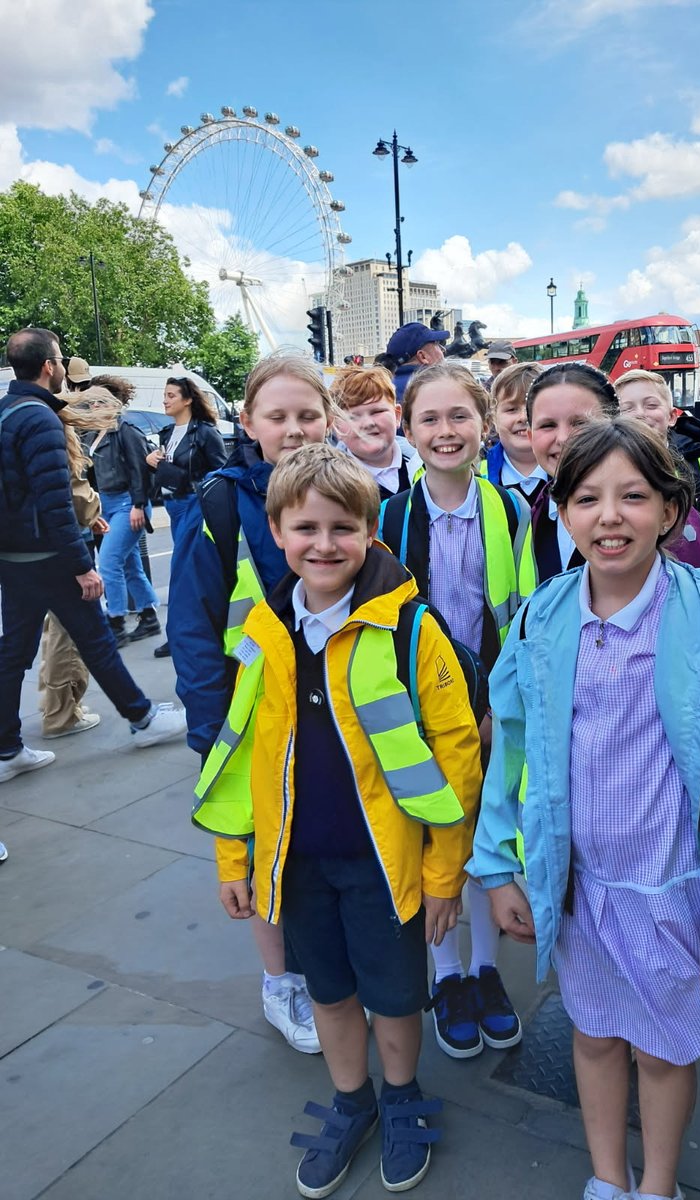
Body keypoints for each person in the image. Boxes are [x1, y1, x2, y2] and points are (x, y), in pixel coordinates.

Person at [471, 416, 700, 1200]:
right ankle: (606, 1178)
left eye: (633, 495)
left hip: (675, 892)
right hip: (580, 890)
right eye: (587, 498)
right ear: (562, 512)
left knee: (662, 1053)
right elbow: (510, 757)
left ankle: (656, 1186)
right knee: (592, 1038)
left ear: (671, 509)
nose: (609, 515)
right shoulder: (542, 620)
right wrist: (498, 864)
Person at [193, 443, 482, 1197]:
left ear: (371, 529)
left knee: (393, 996)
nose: (324, 545)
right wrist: (236, 861)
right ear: (280, 532)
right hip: (298, 863)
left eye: (342, 529)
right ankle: (352, 1101)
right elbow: (238, 754)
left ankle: (401, 1093)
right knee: (328, 992)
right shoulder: (262, 630)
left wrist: (445, 875)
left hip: (385, 866)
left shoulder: (412, 629)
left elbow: (455, 761)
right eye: (306, 529)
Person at [168, 353, 336, 1053]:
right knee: (263, 852)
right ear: (248, 421)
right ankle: (280, 984)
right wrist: (210, 732)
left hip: (329, 714)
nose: (294, 429)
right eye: (278, 416)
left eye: (308, 415)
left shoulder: (346, 493)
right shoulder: (217, 504)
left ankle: (320, 964)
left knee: (313, 847)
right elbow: (192, 628)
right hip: (249, 721)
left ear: (328, 421)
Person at [379, 360, 535, 1060]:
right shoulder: (387, 515)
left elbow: (522, 611)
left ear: (486, 425)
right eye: (430, 419)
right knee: (433, 832)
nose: (447, 432)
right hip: (419, 708)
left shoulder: (510, 510)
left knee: (486, 837)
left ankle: (485, 971)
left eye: (459, 417)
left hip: (495, 703)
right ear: (409, 431)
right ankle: (446, 975)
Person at [0, 328, 186, 785]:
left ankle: (6, 748)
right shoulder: (39, 419)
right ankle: (142, 719)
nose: (63, 367)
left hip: (14, 555)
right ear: (49, 367)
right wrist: (82, 565)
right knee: (96, 639)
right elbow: (54, 500)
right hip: (49, 555)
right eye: (60, 359)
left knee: (15, 651)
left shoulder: (6, 412)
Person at [38, 387, 121, 738]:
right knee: (69, 633)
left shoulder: (21, 414)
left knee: (52, 631)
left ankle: (57, 709)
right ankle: (62, 715)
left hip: (37, 545)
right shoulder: (51, 423)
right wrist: (93, 511)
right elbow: (71, 488)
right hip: (66, 543)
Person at [145, 376, 227, 658]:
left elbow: (220, 473)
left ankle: (181, 634)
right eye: (165, 395)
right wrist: (153, 462)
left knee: (182, 573)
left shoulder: (204, 432)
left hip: (193, 504)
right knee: (185, 572)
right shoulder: (167, 433)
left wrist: (190, 484)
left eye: (171, 395)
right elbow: (166, 465)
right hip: (172, 505)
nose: (165, 400)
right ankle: (185, 632)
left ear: (188, 399)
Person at [81, 384, 160, 647]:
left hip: (128, 502)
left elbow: (140, 469)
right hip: (108, 503)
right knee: (129, 565)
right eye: (91, 404)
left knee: (110, 562)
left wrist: (139, 504)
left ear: (112, 404)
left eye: (99, 403)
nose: (94, 408)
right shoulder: (93, 434)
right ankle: (148, 616)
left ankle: (116, 622)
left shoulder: (125, 431)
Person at [615, 369, 700, 570]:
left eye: (651, 405)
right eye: (627, 408)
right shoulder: (608, 474)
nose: (640, 414)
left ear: (671, 416)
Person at [526, 362, 617, 581]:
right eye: (548, 425)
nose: (564, 438)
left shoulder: (649, 510)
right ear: (530, 437)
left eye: (580, 423)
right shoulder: (528, 517)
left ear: (615, 427)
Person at [330, 365, 413, 499]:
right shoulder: (330, 486)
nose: (368, 423)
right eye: (353, 417)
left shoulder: (423, 465)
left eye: (377, 412)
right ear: (337, 426)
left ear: (397, 415)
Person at [483, 362, 547, 500]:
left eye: (532, 408)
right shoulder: (478, 475)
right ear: (493, 417)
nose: (524, 417)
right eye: (511, 409)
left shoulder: (573, 471)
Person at [384, 322, 450, 404]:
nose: (443, 349)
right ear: (422, 356)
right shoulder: (440, 386)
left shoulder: (386, 390)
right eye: (436, 344)